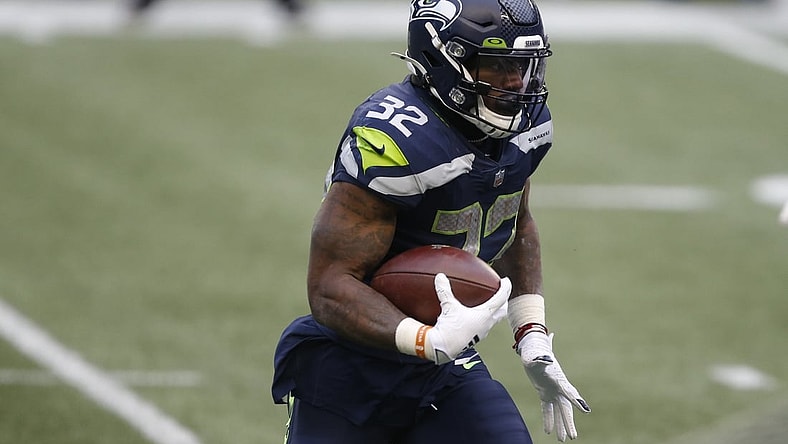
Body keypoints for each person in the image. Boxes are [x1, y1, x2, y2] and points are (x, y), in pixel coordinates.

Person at [272, 0, 591, 442]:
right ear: (444, 61)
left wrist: (530, 330)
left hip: (444, 368)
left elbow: (512, 218)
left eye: (524, 64)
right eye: (498, 64)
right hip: (350, 364)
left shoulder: (524, 126)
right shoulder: (397, 137)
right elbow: (329, 284)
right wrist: (425, 340)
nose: (517, 82)